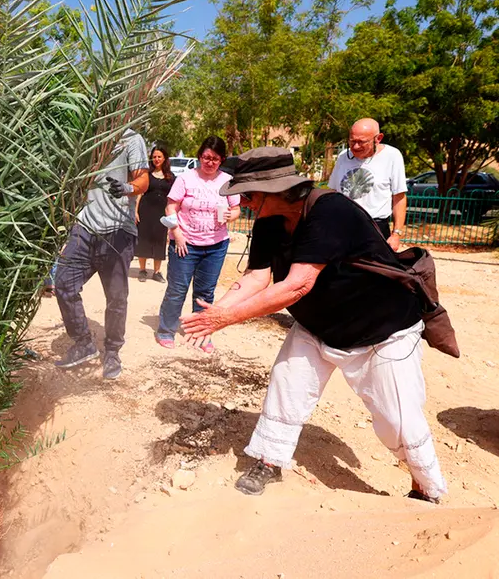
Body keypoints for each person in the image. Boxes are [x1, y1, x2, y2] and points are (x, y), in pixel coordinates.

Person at [181, 146, 446, 503]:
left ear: (277, 189)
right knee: (286, 386)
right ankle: (269, 460)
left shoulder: (331, 211)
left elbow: (296, 285)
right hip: (319, 322)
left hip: (382, 330)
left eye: (249, 194)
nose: (243, 202)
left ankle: (425, 488)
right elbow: (257, 276)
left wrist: (225, 318)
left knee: (398, 417)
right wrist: (214, 314)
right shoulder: (269, 222)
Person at [53, 129, 149, 380]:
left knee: (116, 299)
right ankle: (83, 342)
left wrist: (127, 188)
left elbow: (144, 181)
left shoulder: (131, 138)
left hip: (118, 231)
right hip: (84, 228)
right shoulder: (87, 131)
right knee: (63, 283)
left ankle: (112, 351)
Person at [155, 136, 240, 353]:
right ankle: (166, 329)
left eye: (214, 158)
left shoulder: (228, 181)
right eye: (205, 157)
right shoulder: (185, 179)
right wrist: (177, 233)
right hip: (185, 244)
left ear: (222, 159)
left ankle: (200, 332)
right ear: (199, 156)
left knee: (205, 292)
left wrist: (231, 216)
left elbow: (237, 209)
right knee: (177, 289)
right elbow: (170, 208)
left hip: (215, 245)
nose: (209, 162)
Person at [327, 118, 407, 250]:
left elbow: (399, 197)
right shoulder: (343, 157)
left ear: (378, 138)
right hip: (342, 226)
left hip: (375, 229)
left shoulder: (392, 156)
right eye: (352, 141)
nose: (356, 146)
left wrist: (396, 234)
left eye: (361, 142)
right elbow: (333, 193)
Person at [135, 146, 174, 283]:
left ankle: (157, 272)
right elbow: (140, 193)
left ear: (164, 158)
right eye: (154, 156)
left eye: (159, 156)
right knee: (143, 239)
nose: (157, 159)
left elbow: (173, 198)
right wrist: (135, 211)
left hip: (161, 213)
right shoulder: (146, 175)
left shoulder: (171, 177)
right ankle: (142, 270)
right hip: (145, 210)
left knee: (160, 240)